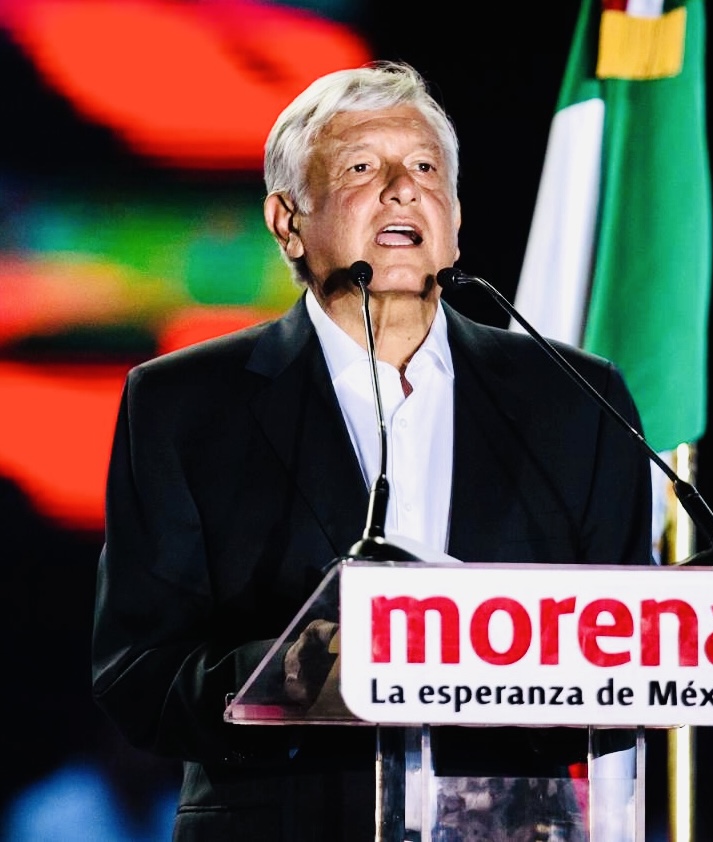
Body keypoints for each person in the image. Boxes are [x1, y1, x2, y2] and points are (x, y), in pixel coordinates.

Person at [91, 60, 654, 841]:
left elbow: (632, 657)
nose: (401, 189)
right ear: (287, 220)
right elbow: (138, 674)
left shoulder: (575, 397)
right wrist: (314, 669)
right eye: (361, 168)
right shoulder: (184, 405)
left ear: (454, 215)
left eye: (425, 169)